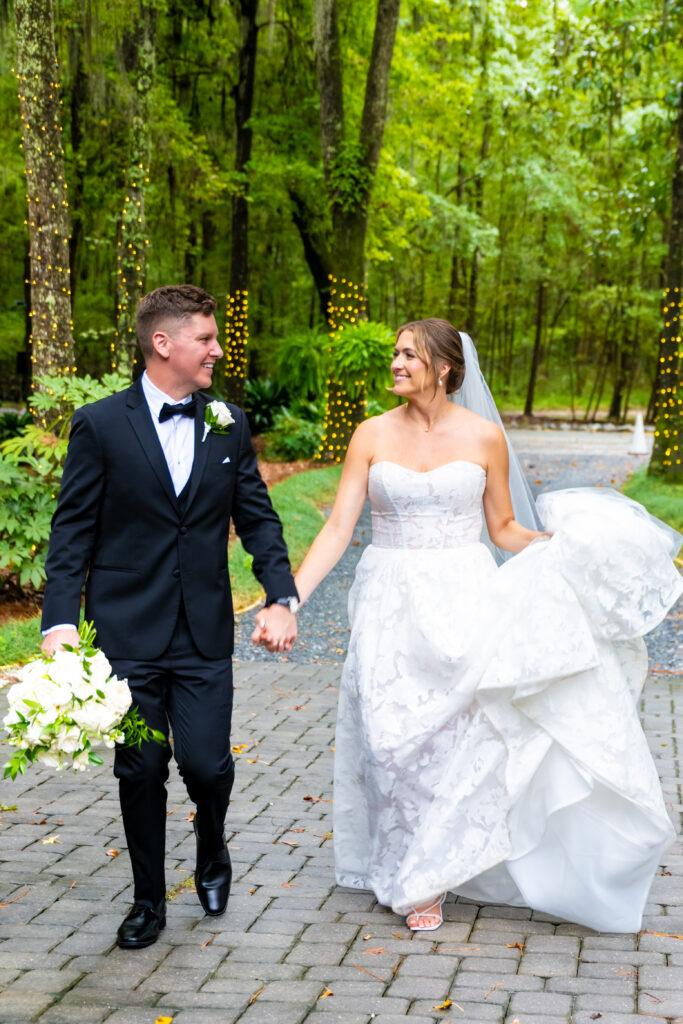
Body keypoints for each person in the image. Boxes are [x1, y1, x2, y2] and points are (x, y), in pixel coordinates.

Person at [268, 317, 682, 933]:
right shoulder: (370, 434)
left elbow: (503, 529)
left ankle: (428, 875)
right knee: (387, 737)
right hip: (388, 596)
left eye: (409, 355)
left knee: (454, 736)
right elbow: (337, 529)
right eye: (396, 353)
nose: (397, 363)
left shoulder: (486, 437)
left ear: (444, 367)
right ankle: (401, 853)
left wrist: (552, 546)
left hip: (464, 596)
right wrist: (288, 599)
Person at [41, 285, 299, 949]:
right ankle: (148, 901)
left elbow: (257, 517)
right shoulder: (100, 424)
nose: (217, 349)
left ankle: (212, 847)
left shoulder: (228, 422)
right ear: (164, 344)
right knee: (141, 767)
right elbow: (72, 531)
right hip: (126, 629)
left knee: (209, 767)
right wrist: (59, 621)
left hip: (203, 629)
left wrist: (279, 594)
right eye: (206, 338)